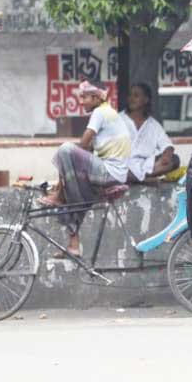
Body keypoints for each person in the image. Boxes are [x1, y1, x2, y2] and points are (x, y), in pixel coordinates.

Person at [45, 80, 135, 254]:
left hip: (109, 172)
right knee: (75, 194)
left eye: (84, 97)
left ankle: (59, 196)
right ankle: (73, 245)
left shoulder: (100, 112)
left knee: (66, 149)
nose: (81, 101)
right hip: (113, 173)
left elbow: (82, 144)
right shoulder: (109, 113)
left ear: (95, 98)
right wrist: (64, 182)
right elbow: (88, 153)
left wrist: (60, 185)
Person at [123, 83, 180, 182]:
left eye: (136, 96)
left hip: (147, 167)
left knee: (174, 160)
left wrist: (166, 155)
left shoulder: (153, 124)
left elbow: (167, 144)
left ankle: (141, 178)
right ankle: (142, 180)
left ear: (146, 100)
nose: (131, 99)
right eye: (130, 95)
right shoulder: (117, 120)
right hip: (124, 165)